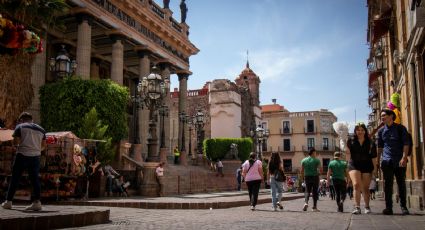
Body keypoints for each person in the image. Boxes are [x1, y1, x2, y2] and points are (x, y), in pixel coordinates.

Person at [1, 112, 46, 211]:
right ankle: (37, 202)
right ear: (31, 119)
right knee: (35, 179)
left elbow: (15, 142)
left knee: (15, 178)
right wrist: (35, 148)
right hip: (36, 157)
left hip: (22, 155)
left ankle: (8, 201)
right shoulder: (41, 130)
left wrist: (21, 144)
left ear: (21, 120)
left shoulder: (20, 126)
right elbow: (43, 146)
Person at [377, 109, 411, 215]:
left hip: (399, 160)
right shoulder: (381, 131)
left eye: (384, 115)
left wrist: (404, 157)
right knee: (388, 185)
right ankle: (389, 207)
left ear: (391, 116)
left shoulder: (400, 128)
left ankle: (403, 206)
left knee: (401, 184)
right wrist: (378, 160)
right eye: (381, 116)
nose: (382, 117)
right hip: (387, 161)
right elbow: (380, 147)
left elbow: (406, 143)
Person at [346, 122, 377, 214]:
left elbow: (374, 157)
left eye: (362, 130)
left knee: (365, 188)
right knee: (356, 185)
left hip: (367, 165)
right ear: (355, 131)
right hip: (354, 164)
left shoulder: (370, 142)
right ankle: (357, 207)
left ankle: (367, 206)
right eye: (358, 130)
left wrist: (375, 169)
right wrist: (347, 165)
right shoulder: (350, 141)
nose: (360, 132)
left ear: (365, 131)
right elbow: (347, 153)